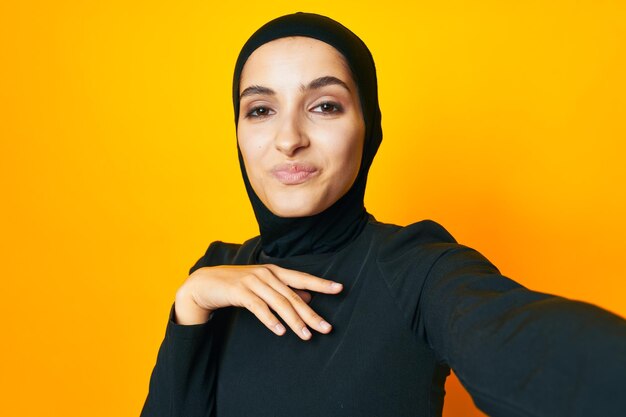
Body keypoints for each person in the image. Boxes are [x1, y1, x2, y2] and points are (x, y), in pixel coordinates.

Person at [140, 12, 626, 417]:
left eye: (325, 105)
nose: (288, 139)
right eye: (261, 110)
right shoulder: (216, 275)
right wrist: (192, 306)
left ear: (367, 129)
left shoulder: (415, 268)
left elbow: (533, 350)